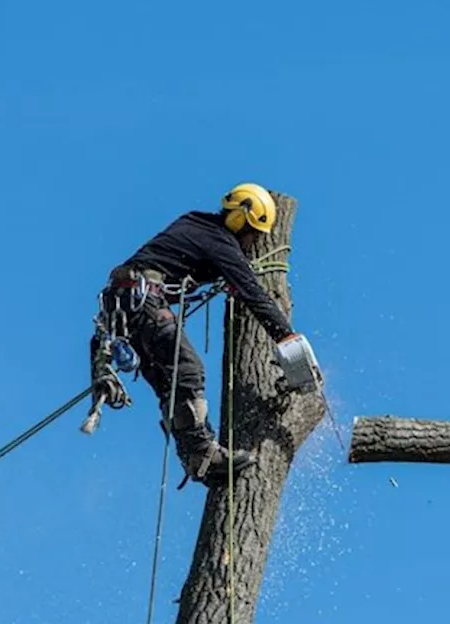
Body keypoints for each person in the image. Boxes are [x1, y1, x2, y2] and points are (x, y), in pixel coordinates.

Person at [89, 182, 303, 486]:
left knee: (170, 387)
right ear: (239, 219)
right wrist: (287, 338)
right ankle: (203, 451)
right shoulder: (220, 241)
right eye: (253, 234)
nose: (253, 244)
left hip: (123, 311)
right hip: (144, 303)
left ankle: (195, 458)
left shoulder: (196, 223)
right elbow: (253, 293)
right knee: (187, 370)